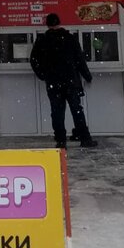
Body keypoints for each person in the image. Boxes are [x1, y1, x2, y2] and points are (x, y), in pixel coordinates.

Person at [30, 13, 97, 149]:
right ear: (59, 23)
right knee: (77, 110)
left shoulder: (42, 40)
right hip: (71, 81)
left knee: (57, 112)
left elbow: (34, 60)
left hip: (53, 82)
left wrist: (43, 74)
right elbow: (79, 59)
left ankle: (61, 140)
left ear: (47, 25)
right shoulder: (70, 38)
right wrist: (87, 76)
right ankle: (85, 138)